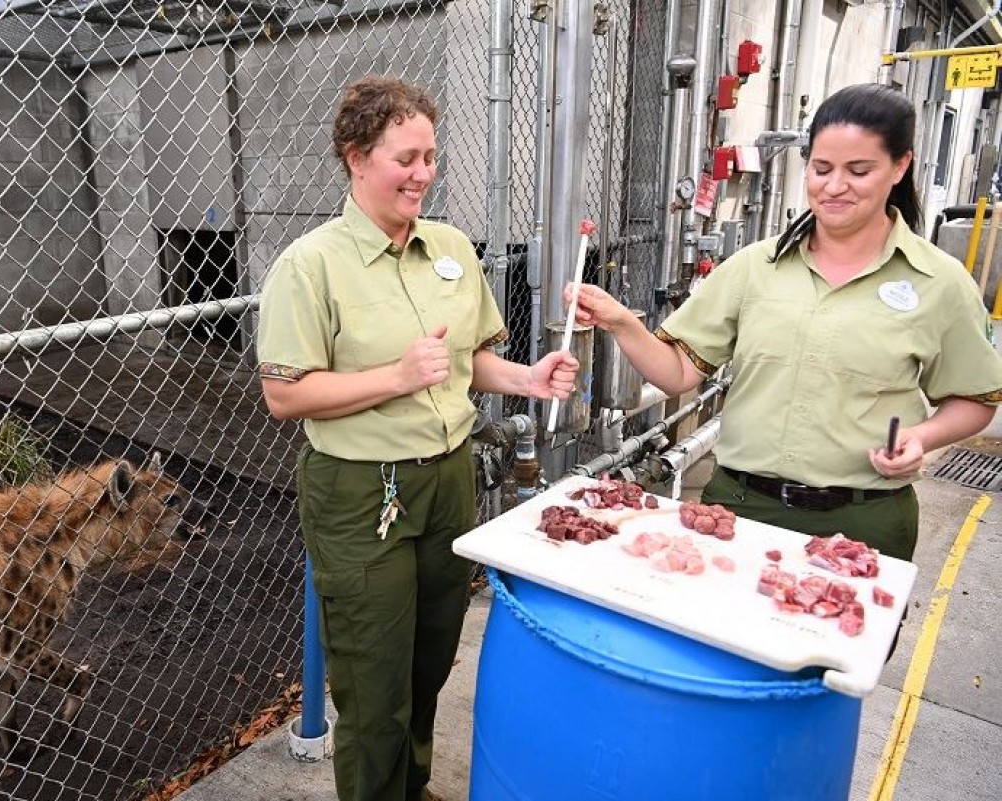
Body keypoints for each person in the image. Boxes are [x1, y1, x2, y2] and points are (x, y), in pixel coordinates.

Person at [256, 75, 578, 801]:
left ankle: (412, 784)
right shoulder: (311, 265)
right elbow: (285, 393)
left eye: (431, 156)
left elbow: (469, 359)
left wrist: (530, 378)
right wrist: (395, 376)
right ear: (356, 157)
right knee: (374, 680)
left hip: (447, 480)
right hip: (362, 490)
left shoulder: (452, 248)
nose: (423, 174)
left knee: (430, 658)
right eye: (406, 157)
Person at [568, 82, 1002, 562]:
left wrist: (920, 438)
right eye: (821, 169)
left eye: (859, 171)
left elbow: (975, 399)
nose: (834, 186)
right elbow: (679, 373)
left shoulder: (938, 282)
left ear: (901, 166)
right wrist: (622, 321)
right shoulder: (755, 267)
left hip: (863, 521)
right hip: (739, 508)